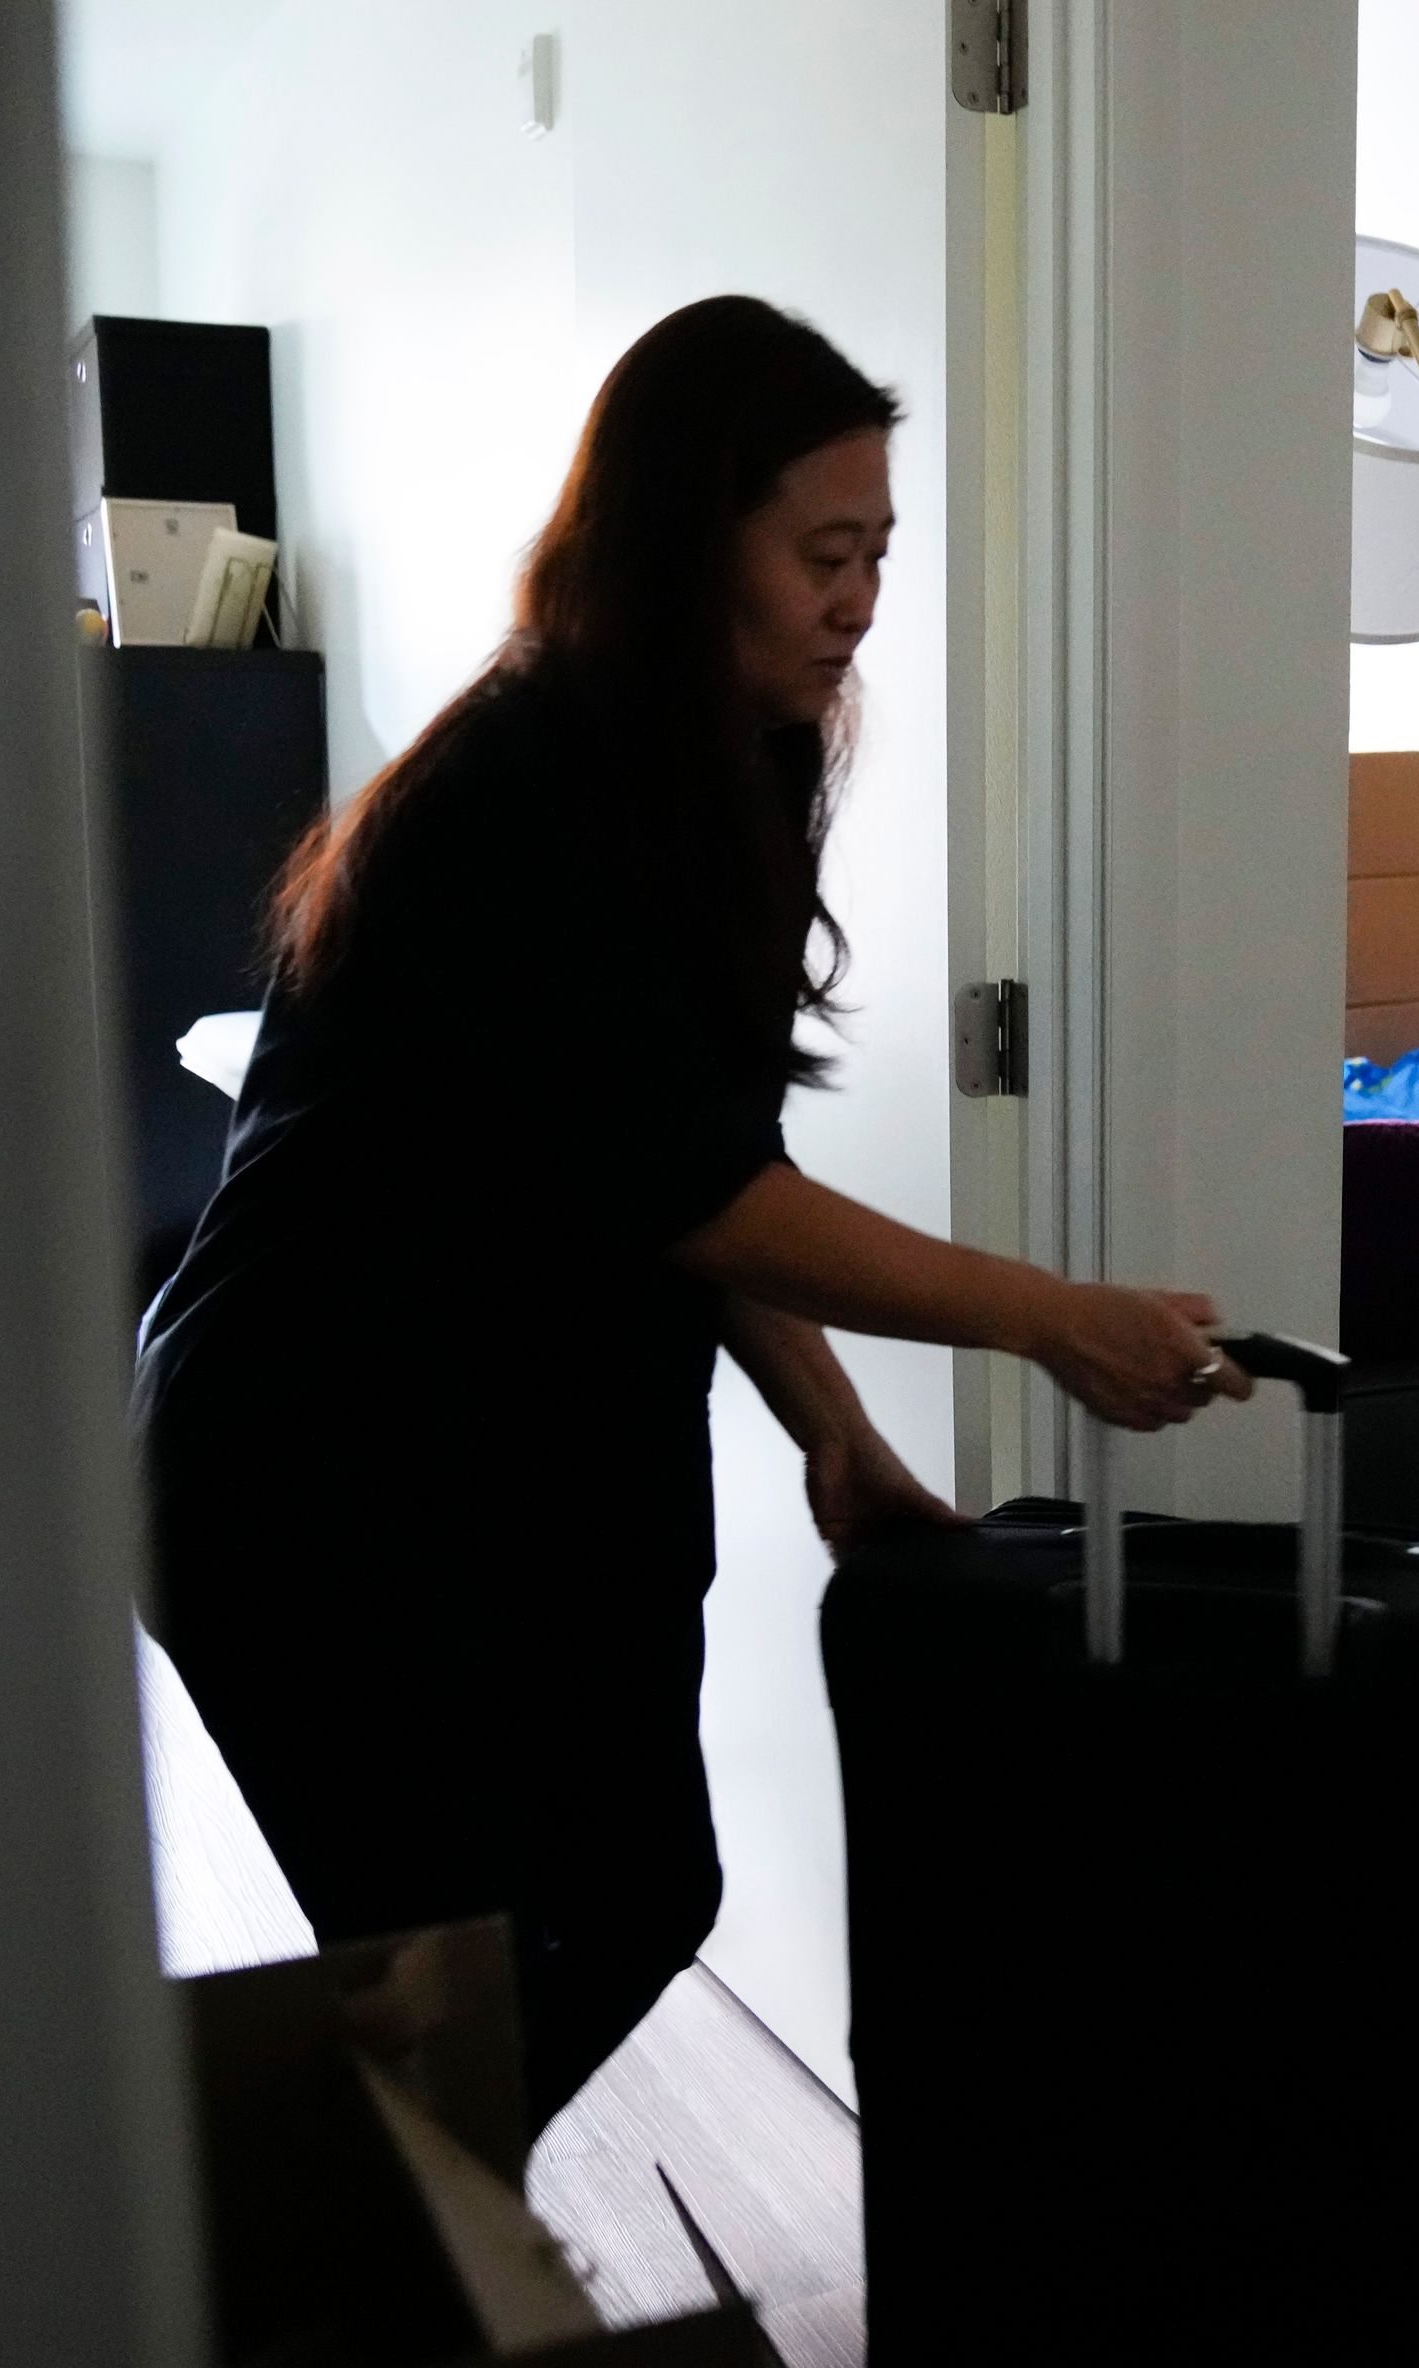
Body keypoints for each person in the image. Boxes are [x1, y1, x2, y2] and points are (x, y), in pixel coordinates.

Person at [134, 297, 1247, 2123]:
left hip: (510, 1449)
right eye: (824, 552)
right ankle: (373, 2330)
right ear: (678, 544)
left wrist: (835, 1436)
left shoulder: (734, 755)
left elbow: (681, 1157)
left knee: (606, 1902)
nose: (860, 599)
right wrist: (1051, 1315)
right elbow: (696, 1188)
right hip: (332, 1461)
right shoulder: (532, 787)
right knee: (466, 1951)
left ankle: (405, 2300)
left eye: (878, 553)